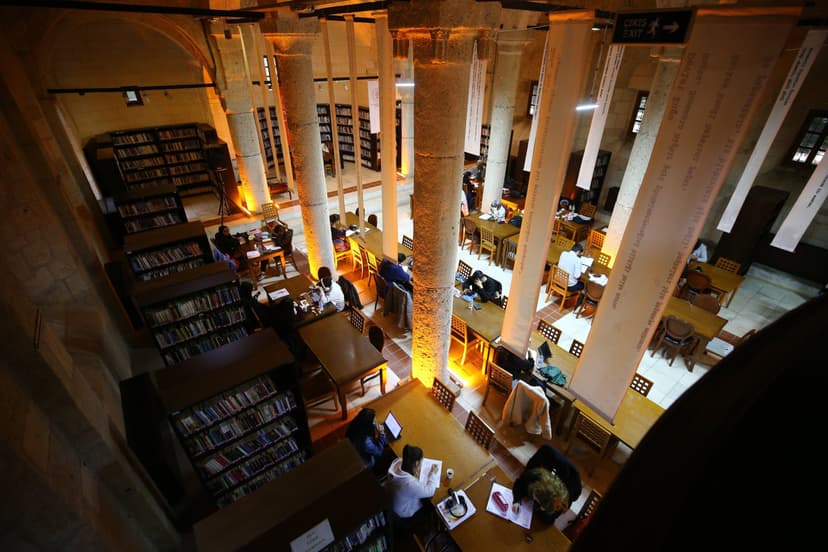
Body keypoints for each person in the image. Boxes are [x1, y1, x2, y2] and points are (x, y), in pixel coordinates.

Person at [512, 444, 582, 524]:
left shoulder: (572, 483)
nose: (541, 508)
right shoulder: (540, 462)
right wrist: (516, 500)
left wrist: (544, 510)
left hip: (561, 498)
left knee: (545, 519)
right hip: (541, 485)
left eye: (542, 506)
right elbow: (522, 481)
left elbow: (551, 516)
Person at [386, 444, 438, 529]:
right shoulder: (409, 484)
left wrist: (414, 472)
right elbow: (430, 491)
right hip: (404, 514)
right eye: (421, 463)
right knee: (431, 506)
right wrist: (433, 474)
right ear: (417, 463)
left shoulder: (398, 462)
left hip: (392, 504)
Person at [345, 408, 390, 472]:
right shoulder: (365, 442)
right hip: (365, 463)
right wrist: (382, 434)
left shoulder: (354, 425)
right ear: (368, 423)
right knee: (387, 453)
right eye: (373, 420)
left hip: (355, 454)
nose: (375, 421)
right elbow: (379, 452)